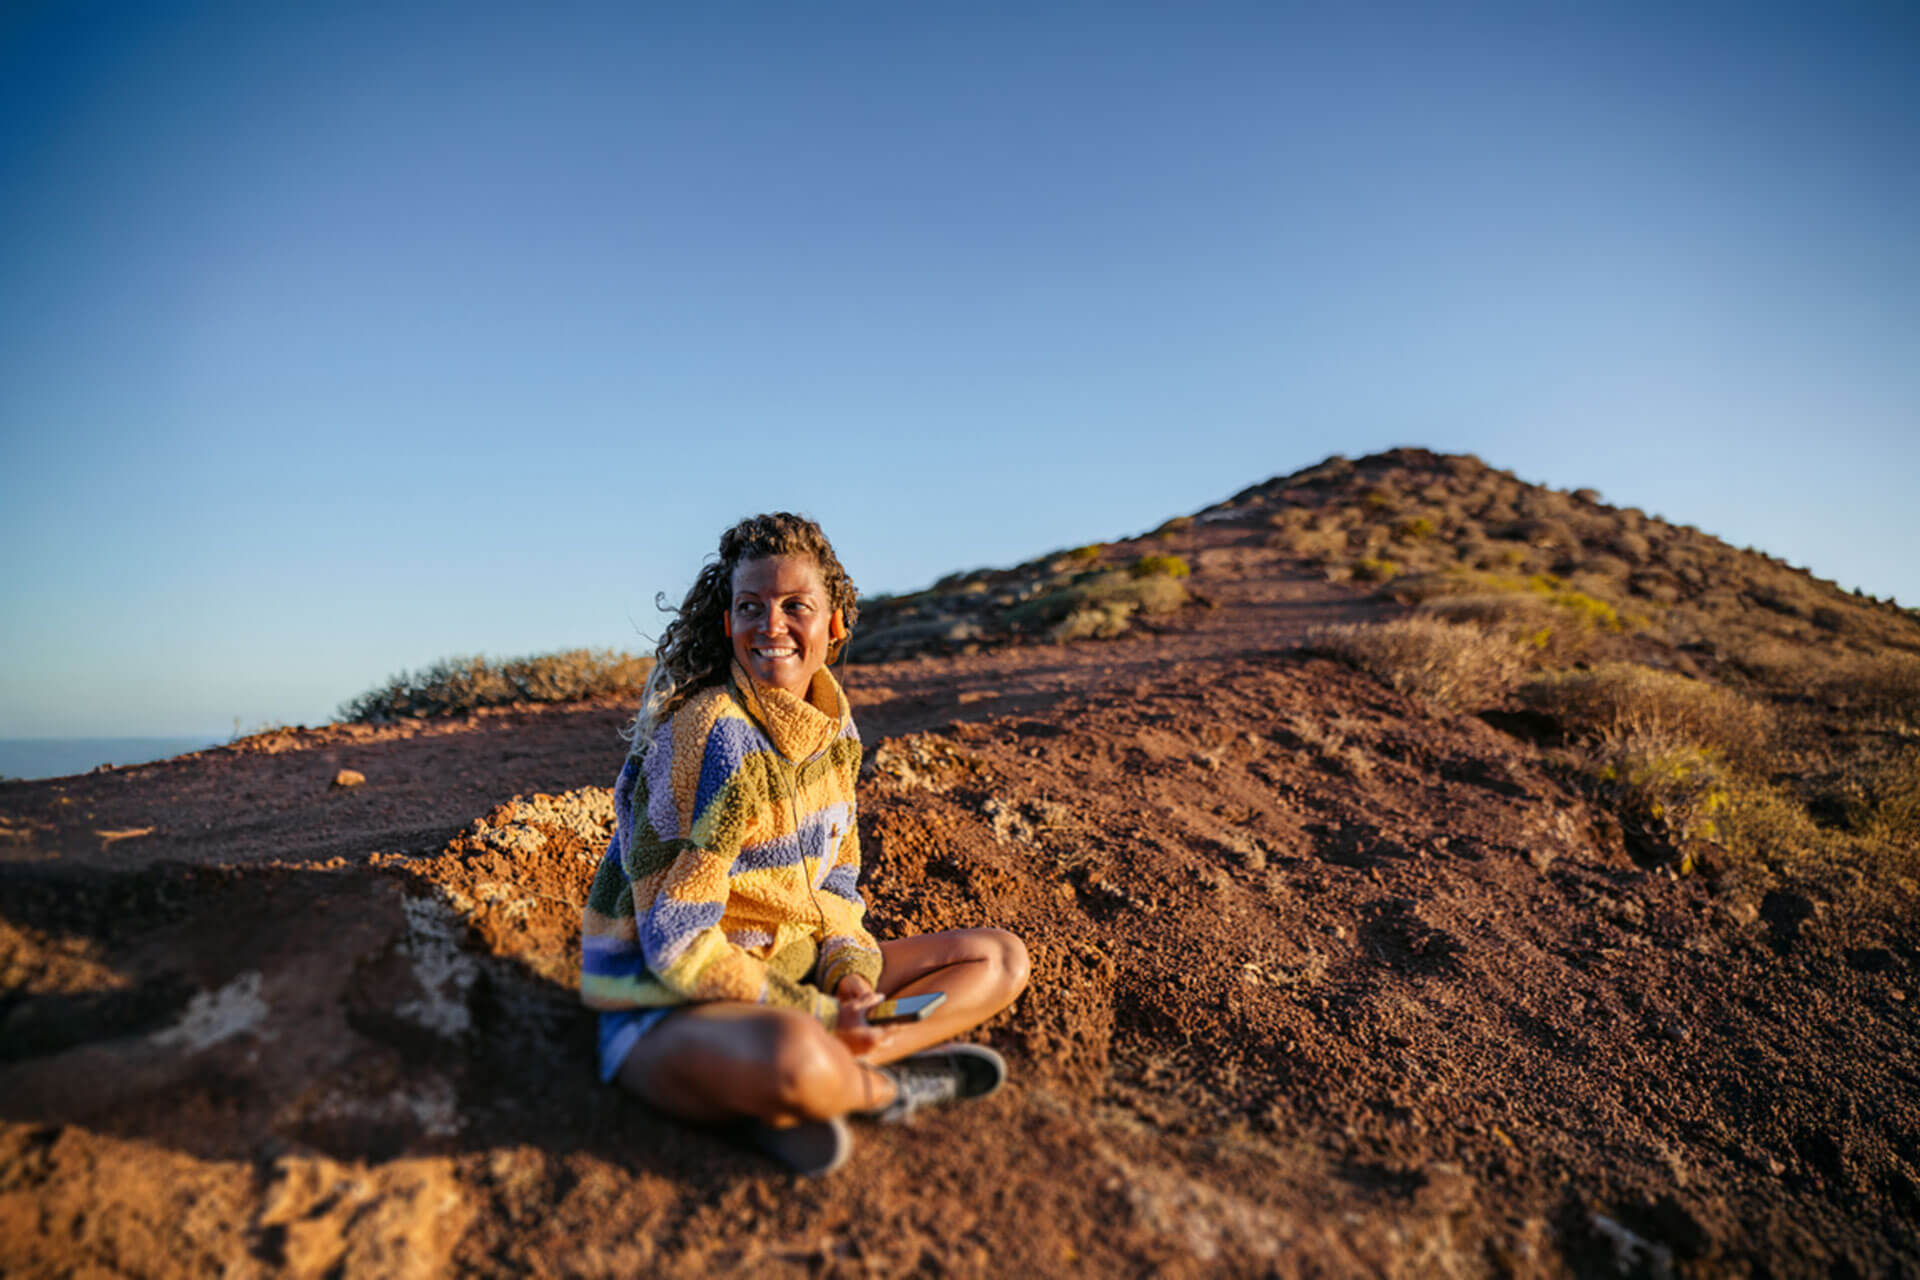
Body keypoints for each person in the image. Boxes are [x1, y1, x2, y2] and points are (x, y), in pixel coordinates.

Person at [581, 512, 1030, 1175]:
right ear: (728, 623)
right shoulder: (712, 738)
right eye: (750, 607)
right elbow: (677, 944)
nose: (771, 625)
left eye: (796, 606)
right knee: (792, 1054)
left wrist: (851, 980)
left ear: (835, 624)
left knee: (999, 960)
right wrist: (817, 1013)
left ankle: (819, 1086)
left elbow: (835, 889)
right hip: (670, 1010)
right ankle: (876, 1088)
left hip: (791, 975)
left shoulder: (834, 732)